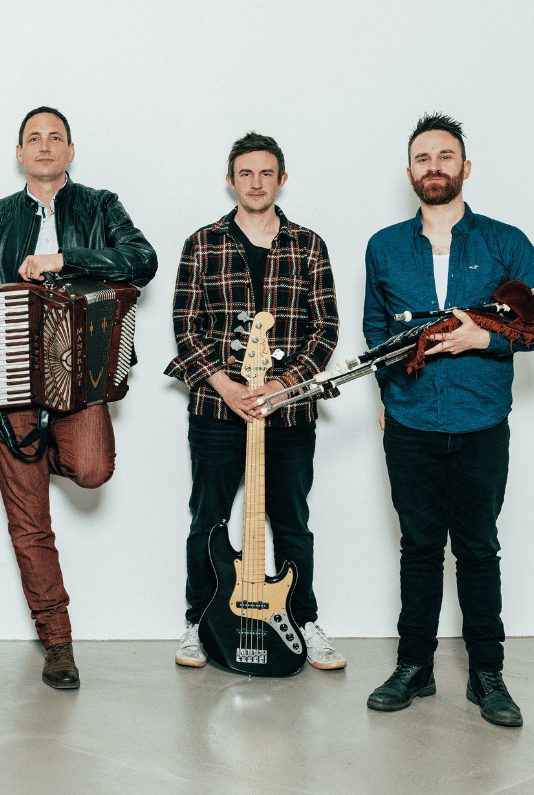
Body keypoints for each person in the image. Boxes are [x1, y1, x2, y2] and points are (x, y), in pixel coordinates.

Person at [362, 113, 534, 727]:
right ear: (410, 172)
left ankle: (487, 675)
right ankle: (414, 667)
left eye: (445, 157)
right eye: (423, 158)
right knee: (419, 547)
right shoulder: (385, 246)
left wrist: (484, 339)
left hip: (480, 424)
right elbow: (376, 334)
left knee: (478, 549)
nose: (434, 167)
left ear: (465, 168)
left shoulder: (505, 241)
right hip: (411, 424)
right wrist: (388, 397)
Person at [0, 107, 157, 688]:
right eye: (32, 139)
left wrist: (65, 260)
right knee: (30, 523)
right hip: (10, 380)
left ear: (71, 151)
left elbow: (142, 261)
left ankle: (37, 453)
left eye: (55, 138)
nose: (44, 147)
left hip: (80, 378)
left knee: (93, 469)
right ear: (19, 153)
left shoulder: (100, 206)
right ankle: (58, 643)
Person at [165, 132, 345, 671]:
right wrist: (226, 385)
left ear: (281, 179)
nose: (256, 182)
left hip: (287, 412)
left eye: (267, 173)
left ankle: (304, 621)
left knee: (292, 521)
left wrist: (280, 385)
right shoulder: (202, 244)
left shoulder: (309, 245)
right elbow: (185, 327)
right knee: (209, 519)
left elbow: (326, 329)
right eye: (246, 173)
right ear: (231, 180)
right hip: (218, 411)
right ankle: (198, 622)